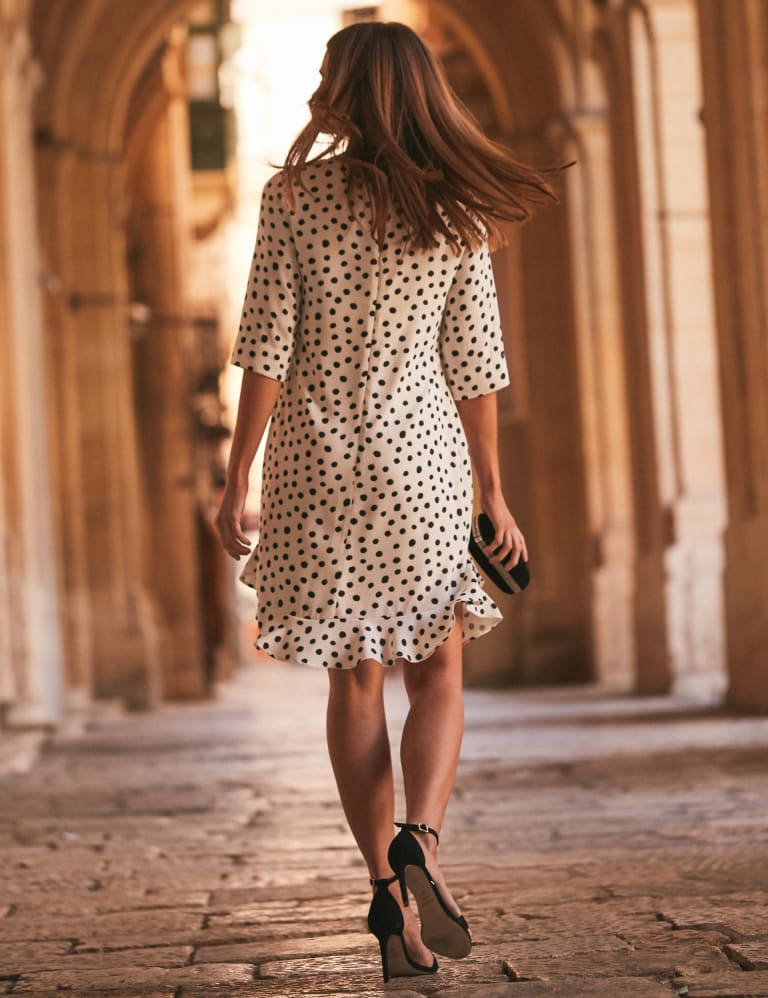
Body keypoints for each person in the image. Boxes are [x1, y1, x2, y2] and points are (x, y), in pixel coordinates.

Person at [215, 19, 572, 984]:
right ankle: (421, 839)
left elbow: (265, 348)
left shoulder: (293, 196)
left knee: (355, 679)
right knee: (440, 667)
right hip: (421, 461)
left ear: (345, 90)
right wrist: (492, 492)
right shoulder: (455, 209)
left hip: (313, 463)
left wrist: (237, 471)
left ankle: (385, 899)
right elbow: (477, 366)